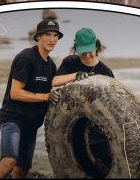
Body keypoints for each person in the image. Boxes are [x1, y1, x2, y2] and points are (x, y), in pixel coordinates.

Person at [0, 20, 74, 178]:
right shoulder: (26, 58)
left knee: (22, 170)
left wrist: (76, 77)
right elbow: (15, 93)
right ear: (38, 37)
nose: (52, 39)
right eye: (48, 34)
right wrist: (45, 97)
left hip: (31, 125)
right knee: (9, 162)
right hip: (13, 119)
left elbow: (54, 87)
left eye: (55, 35)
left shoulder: (51, 66)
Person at [53, 27, 115, 176]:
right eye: (83, 51)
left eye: (90, 51)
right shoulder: (70, 62)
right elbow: (54, 81)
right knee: (82, 164)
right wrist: (76, 75)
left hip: (98, 129)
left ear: (97, 47)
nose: (86, 55)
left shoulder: (105, 72)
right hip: (75, 125)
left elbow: (113, 103)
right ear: (76, 49)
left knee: (106, 166)